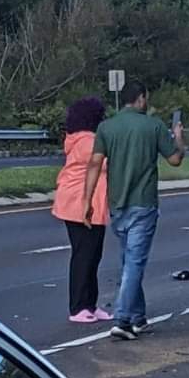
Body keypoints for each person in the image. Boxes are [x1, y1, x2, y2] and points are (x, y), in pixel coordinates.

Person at [82, 80, 186, 341]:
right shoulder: (153, 126)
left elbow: (94, 164)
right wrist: (180, 138)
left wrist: (87, 200)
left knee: (129, 260)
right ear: (141, 98)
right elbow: (175, 159)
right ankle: (123, 319)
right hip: (144, 203)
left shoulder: (107, 127)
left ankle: (138, 317)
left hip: (117, 203)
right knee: (134, 264)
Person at [52, 96, 111, 324]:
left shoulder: (81, 139)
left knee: (92, 255)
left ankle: (90, 305)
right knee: (83, 256)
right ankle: (78, 307)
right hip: (78, 204)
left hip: (87, 203)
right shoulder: (88, 142)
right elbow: (107, 161)